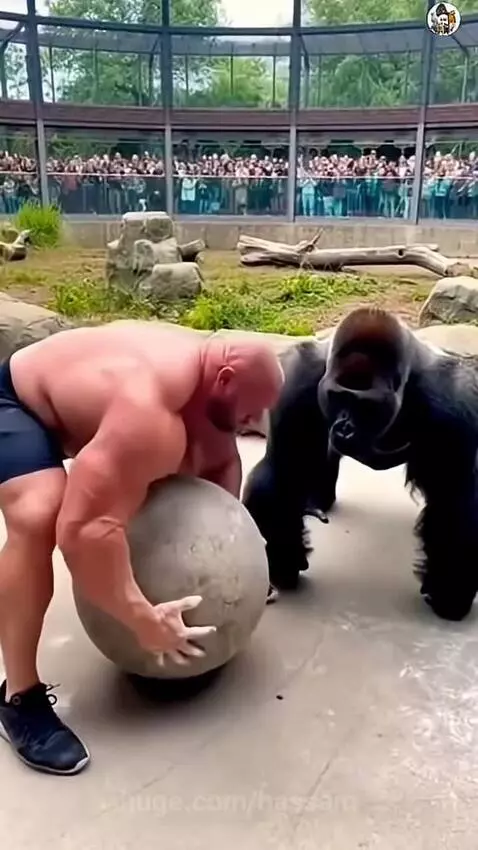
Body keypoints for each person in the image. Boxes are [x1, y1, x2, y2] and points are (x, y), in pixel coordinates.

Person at [0, 320, 284, 776]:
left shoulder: (208, 378)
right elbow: (85, 533)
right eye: (251, 413)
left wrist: (234, 568)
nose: (253, 424)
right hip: (16, 401)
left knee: (173, 457)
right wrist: (140, 617)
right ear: (226, 380)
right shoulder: (151, 409)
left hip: (91, 403)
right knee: (40, 512)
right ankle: (19, 698)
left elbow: (220, 463)